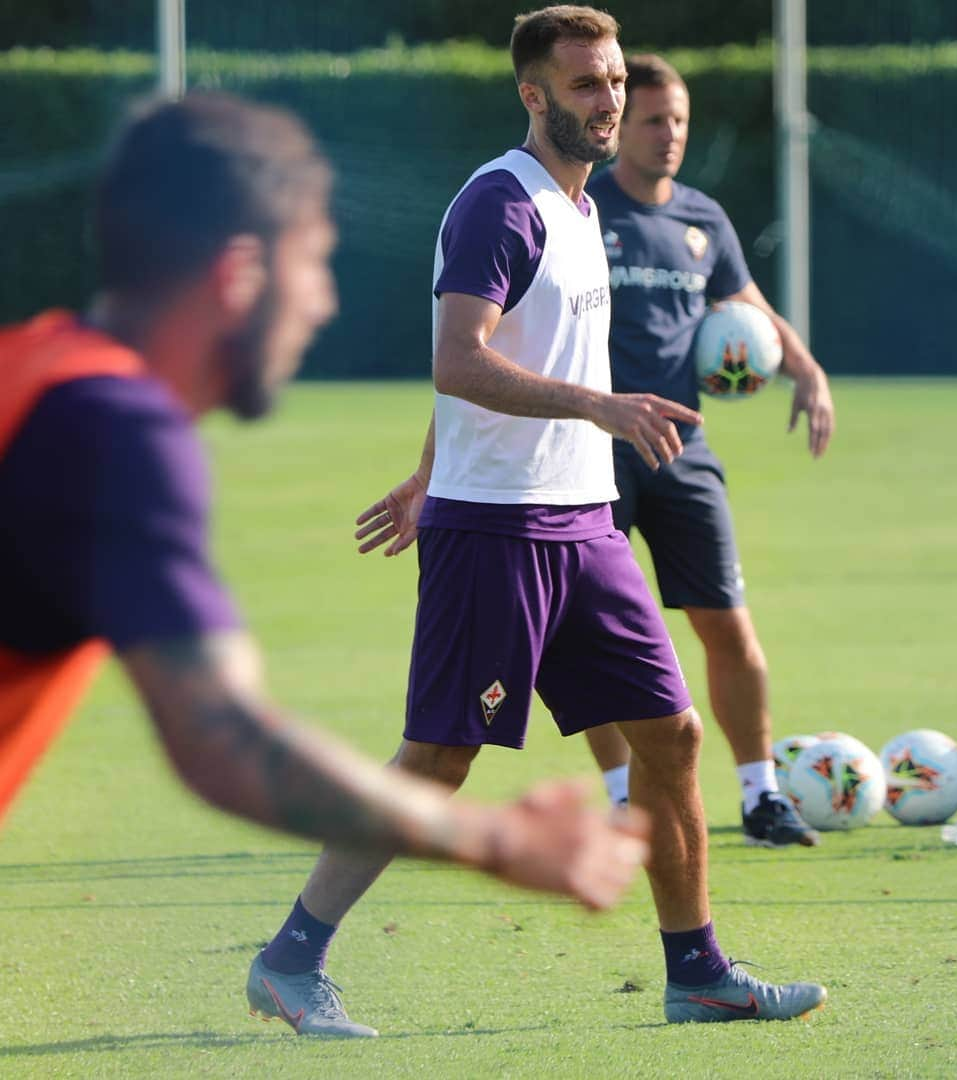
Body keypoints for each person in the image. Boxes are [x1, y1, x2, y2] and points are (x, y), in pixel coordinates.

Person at [0, 91, 654, 1033]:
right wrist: (494, 838)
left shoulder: (37, 374)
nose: (324, 301)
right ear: (238, 276)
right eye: (314, 265)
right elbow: (222, 740)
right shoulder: (113, 431)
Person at [253, 5, 827, 1036]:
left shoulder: (583, 209)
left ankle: (696, 972)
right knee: (439, 757)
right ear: (534, 95)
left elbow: (502, 358)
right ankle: (290, 959)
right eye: (585, 87)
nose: (608, 102)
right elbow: (458, 358)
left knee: (673, 735)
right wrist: (585, 416)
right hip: (498, 532)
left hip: (587, 527)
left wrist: (431, 465)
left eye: (614, 82)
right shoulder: (498, 204)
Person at [582, 53, 837, 847]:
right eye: (654, 120)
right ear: (622, 126)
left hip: (683, 451)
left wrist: (806, 370)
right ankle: (626, 801)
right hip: (591, 452)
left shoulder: (703, 218)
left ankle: (761, 797)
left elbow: (748, 305)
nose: (670, 135)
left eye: (680, 121)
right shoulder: (580, 212)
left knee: (726, 623)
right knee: (595, 634)